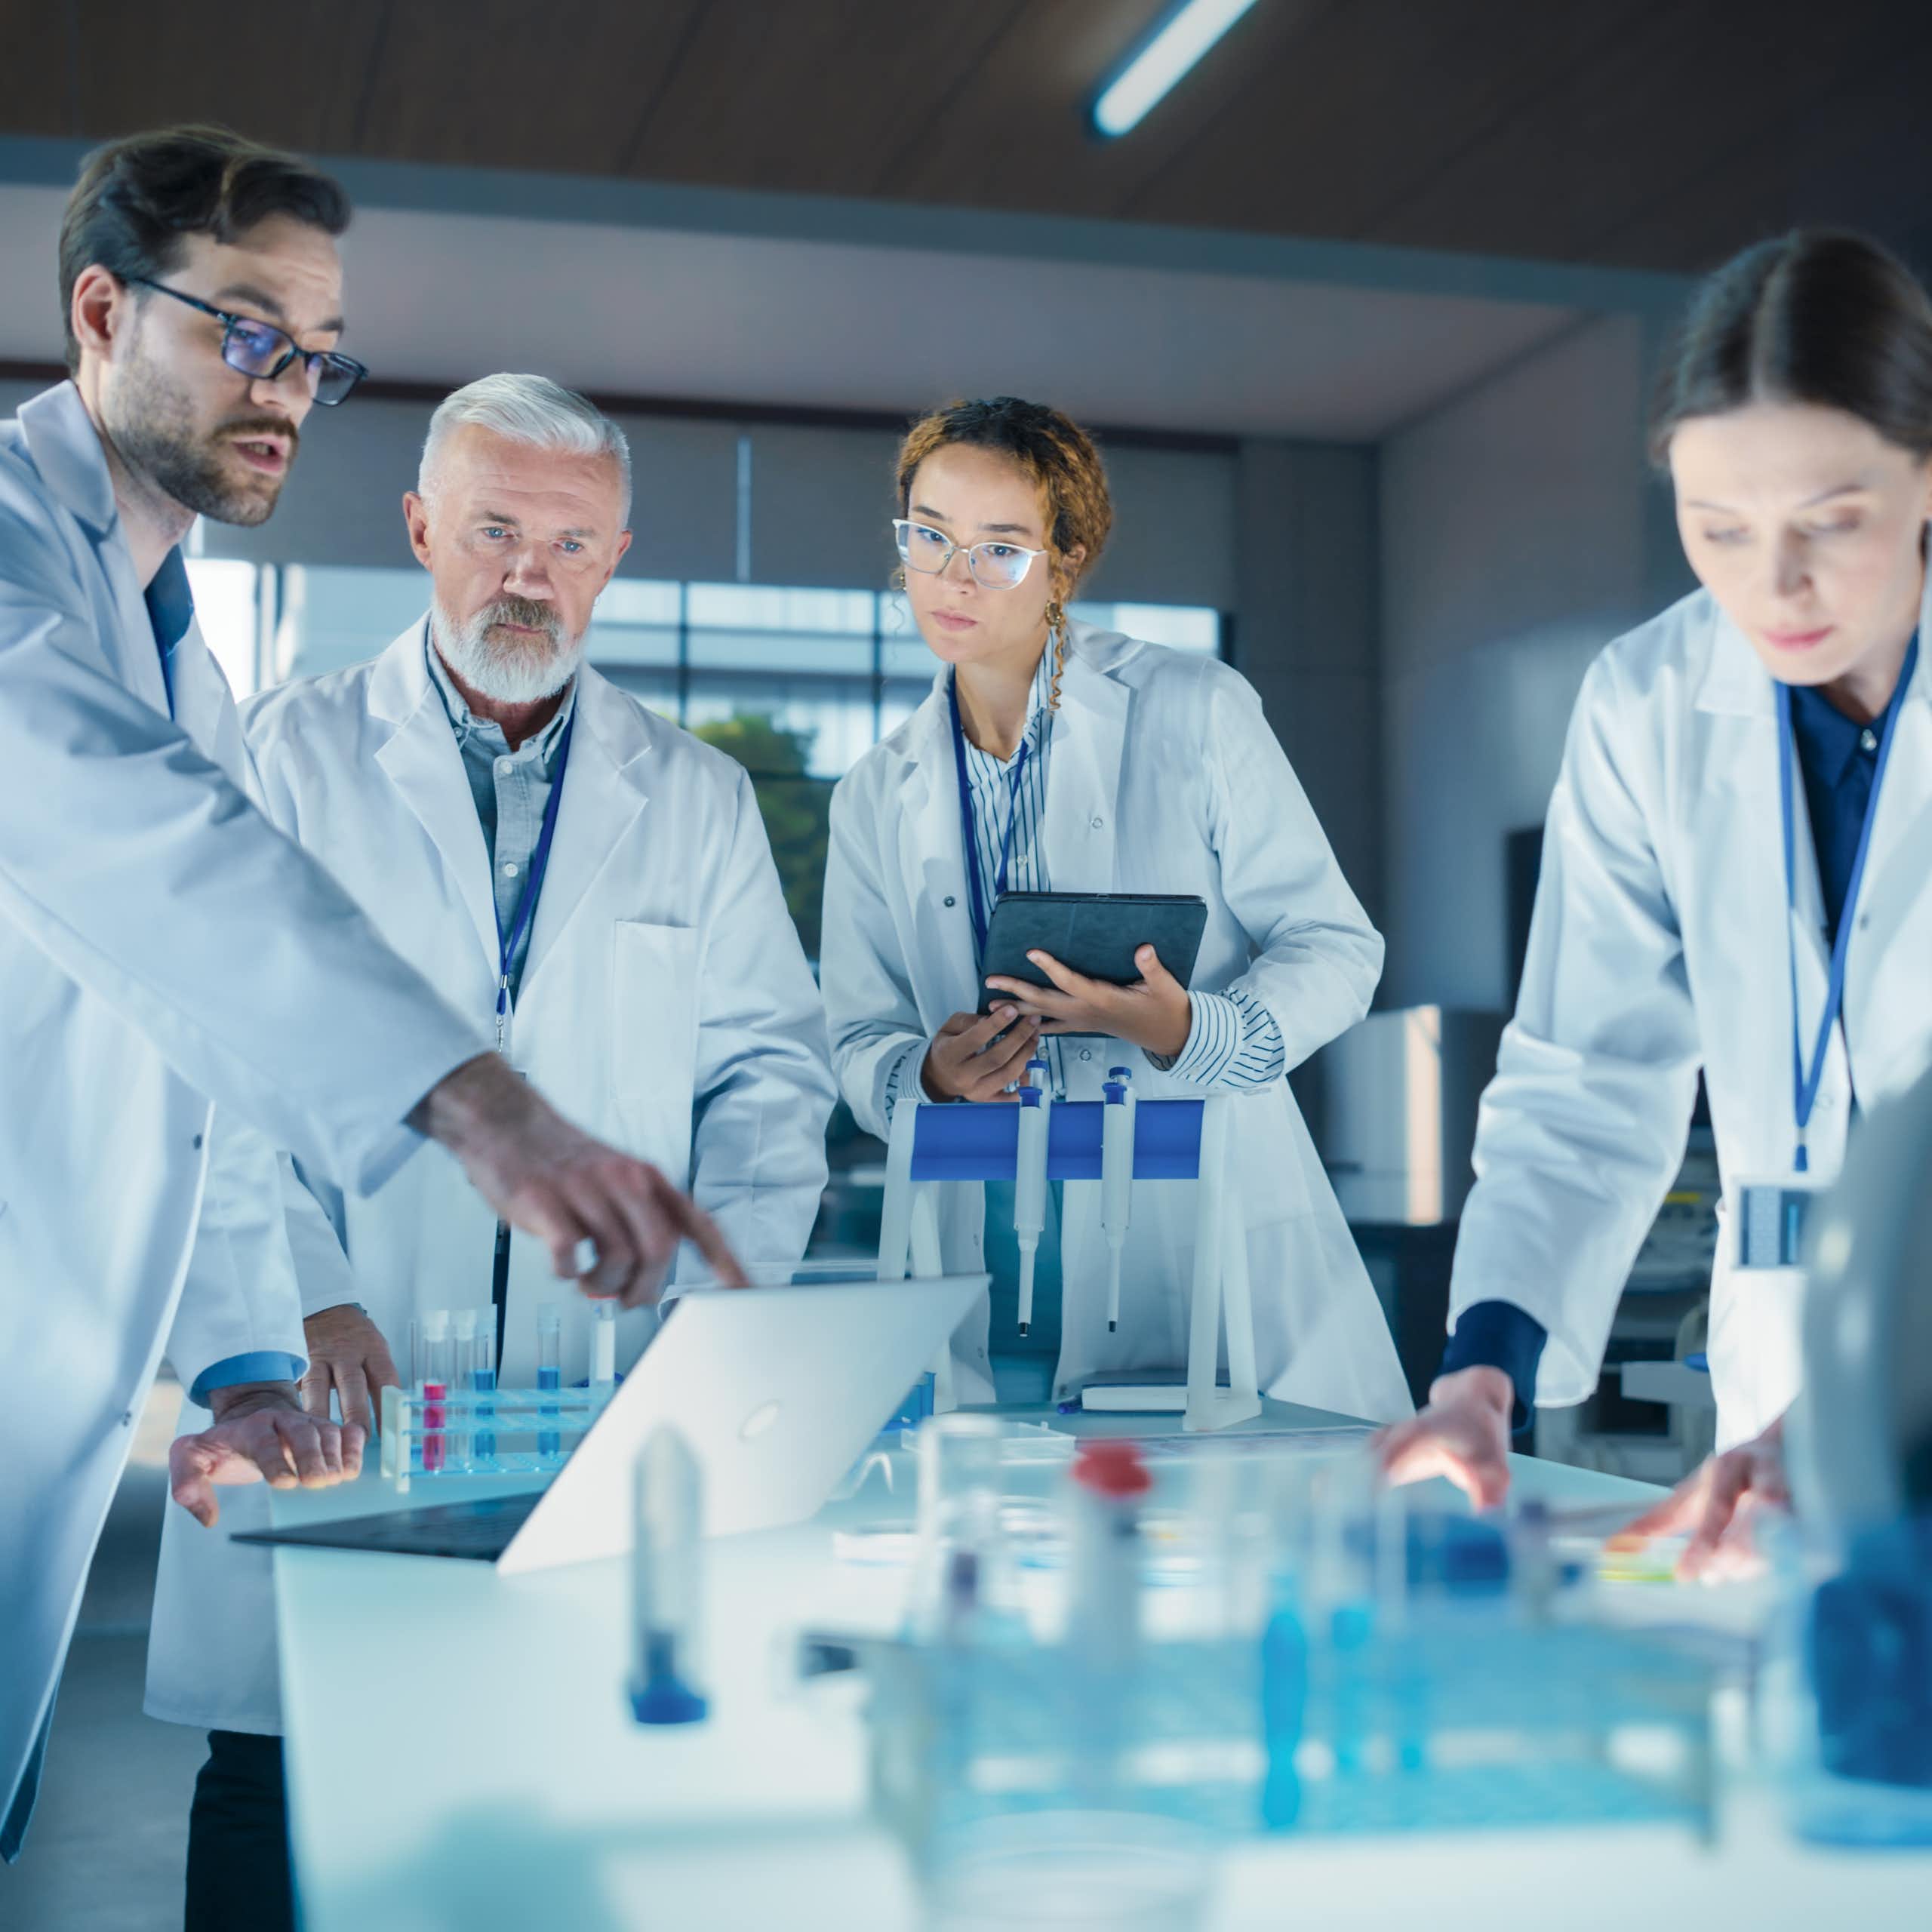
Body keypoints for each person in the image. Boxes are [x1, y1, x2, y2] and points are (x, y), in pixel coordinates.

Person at [0, 128, 739, 1863]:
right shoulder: (30, 574)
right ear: (101, 311)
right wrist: (484, 1103)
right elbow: (119, 837)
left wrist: (250, 1354)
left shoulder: (167, 633)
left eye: (315, 355)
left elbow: (178, 1044)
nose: (287, 386)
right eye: (247, 328)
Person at [141, 371, 834, 1928]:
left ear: (616, 555)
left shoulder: (700, 797)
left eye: (568, 541)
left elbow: (770, 1077)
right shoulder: (282, 758)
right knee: (287, 1795)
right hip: (346, 1387)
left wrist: (719, 1301)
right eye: (494, 530)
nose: (528, 573)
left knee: (555, 1816)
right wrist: (291, 1299)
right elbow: (205, 1062)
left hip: (599, 1396)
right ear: (418, 531)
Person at [1378, 231, 1932, 1543]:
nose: (1771, 586)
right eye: (1718, 529)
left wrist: (1849, 1413)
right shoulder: (1648, 701)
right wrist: (1481, 1376)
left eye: (1830, 525)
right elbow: (1586, 1077)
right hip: (1780, 1387)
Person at [821, 395, 1411, 1420]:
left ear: (1068, 560)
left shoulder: (1193, 709)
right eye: (929, 536)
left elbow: (1336, 945)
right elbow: (856, 1035)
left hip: (1198, 1246)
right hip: (982, 1256)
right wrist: (925, 1072)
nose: (952, 578)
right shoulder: (877, 790)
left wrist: (1191, 1030)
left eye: (999, 550)